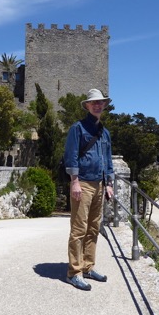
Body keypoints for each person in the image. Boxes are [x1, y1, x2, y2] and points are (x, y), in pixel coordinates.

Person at [64, 88, 114, 291]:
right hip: (82, 182)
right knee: (79, 229)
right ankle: (74, 272)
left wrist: (109, 183)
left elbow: (108, 159)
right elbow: (71, 155)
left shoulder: (105, 132)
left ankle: (88, 266)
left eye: (100, 102)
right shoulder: (78, 128)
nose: (97, 105)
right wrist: (74, 181)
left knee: (94, 227)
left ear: (104, 106)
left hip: (99, 184)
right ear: (87, 105)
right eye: (94, 103)